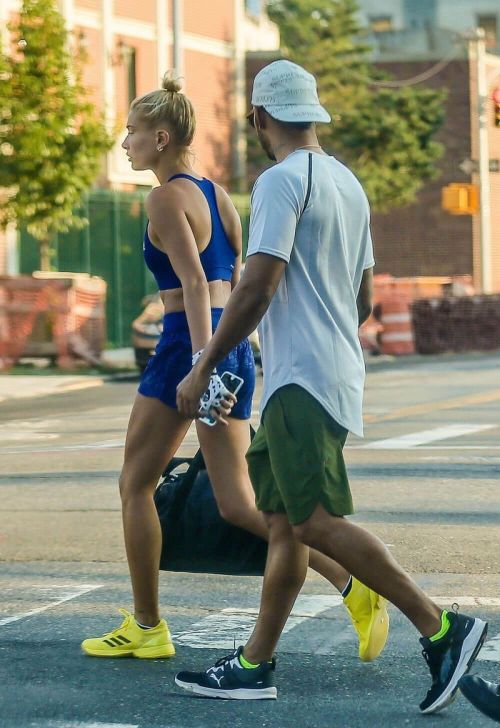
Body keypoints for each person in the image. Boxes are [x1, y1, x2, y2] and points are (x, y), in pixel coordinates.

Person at [174, 60, 488, 712]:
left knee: (314, 519)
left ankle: (441, 628)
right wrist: (324, 335)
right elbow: (365, 298)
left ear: (260, 118)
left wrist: (205, 363)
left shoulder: (280, 184)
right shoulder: (347, 183)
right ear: (313, 114)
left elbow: (257, 285)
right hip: (329, 373)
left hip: (301, 384)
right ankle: (256, 664)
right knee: (286, 524)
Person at [80, 72, 388, 662]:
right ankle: (352, 585)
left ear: (162, 137)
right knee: (240, 505)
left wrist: (201, 363)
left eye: (132, 133)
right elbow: (237, 269)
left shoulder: (166, 197)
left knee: (135, 483)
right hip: (231, 346)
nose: (125, 145)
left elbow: (196, 285)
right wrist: (223, 357)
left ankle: (147, 623)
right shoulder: (216, 193)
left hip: (189, 346)